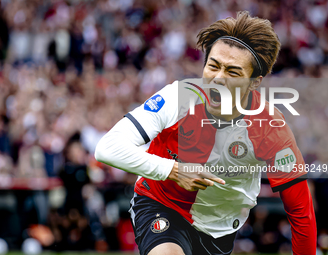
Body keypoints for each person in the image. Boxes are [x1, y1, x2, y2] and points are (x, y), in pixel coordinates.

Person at [95, 11, 316, 255]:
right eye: (213, 66)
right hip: (159, 203)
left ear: (254, 82)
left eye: (233, 72)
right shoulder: (177, 98)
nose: (218, 79)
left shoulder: (271, 128)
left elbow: (301, 212)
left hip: (220, 228)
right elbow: (108, 148)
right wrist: (174, 171)